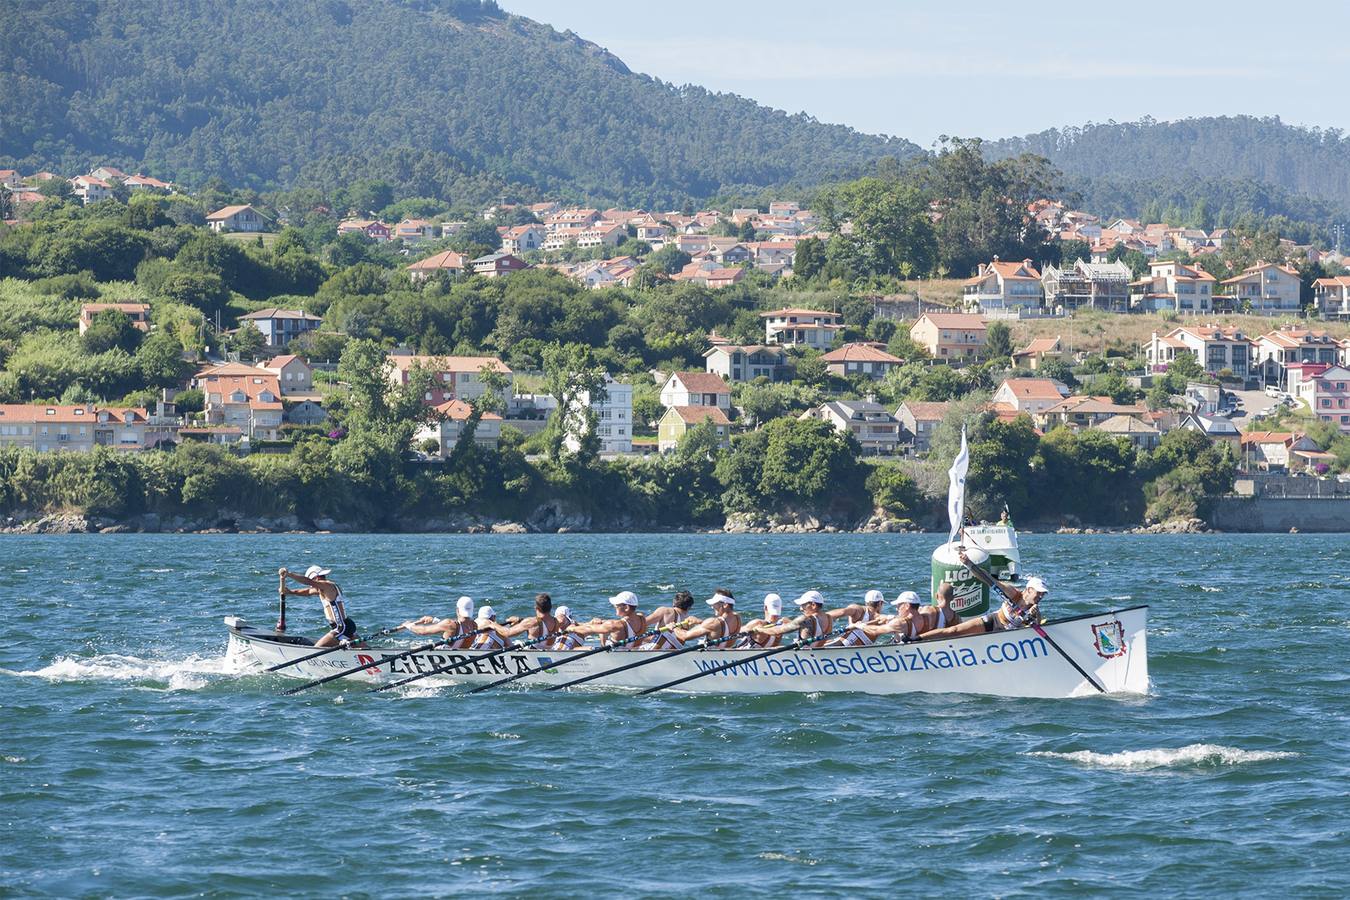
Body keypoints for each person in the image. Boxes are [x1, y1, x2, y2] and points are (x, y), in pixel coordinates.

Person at [920, 552, 1047, 639]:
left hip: (1007, 635)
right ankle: (916, 639)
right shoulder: (1013, 593)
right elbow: (989, 580)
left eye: (1043, 594)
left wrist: (1036, 615)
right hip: (993, 622)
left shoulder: (1034, 609)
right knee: (953, 631)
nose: (1040, 596)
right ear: (1029, 590)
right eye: (1039, 592)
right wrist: (969, 564)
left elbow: (1035, 631)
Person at [280, 565, 356, 648]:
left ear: (316, 578)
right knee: (364, 650)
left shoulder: (327, 585)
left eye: (312, 582)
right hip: (347, 625)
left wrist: (289, 574)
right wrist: (291, 592)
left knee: (317, 648)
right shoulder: (323, 588)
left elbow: (308, 582)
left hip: (341, 628)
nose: (311, 587)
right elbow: (308, 591)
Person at [748, 590, 833, 648]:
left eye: (803, 605)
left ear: (813, 605)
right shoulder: (828, 618)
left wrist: (760, 629)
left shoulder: (805, 619)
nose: (801, 609)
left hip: (803, 656)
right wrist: (791, 622)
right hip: (816, 653)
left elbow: (777, 631)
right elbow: (811, 629)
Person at [566, 591, 647, 648]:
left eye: (616, 606)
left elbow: (589, 629)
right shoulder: (641, 618)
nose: (615, 607)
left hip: (615, 655)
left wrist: (572, 628)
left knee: (597, 627)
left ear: (626, 607)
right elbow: (624, 623)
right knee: (600, 624)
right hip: (632, 651)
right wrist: (603, 622)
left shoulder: (615, 625)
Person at [481, 593, 559, 648]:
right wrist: (519, 620)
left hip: (533, 656)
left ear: (536, 608)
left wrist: (493, 624)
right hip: (548, 652)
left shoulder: (531, 622)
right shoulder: (556, 621)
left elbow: (507, 633)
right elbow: (541, 622)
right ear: (550, 607)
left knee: (507, 641)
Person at [400, 596, 478, 648]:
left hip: (443, 658)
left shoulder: (449, 624)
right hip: (460, 657)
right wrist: (434, 620)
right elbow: (452, 629)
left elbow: (423, 631)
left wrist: (409, 625)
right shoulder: (474, 626)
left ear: (457, 610)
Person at [673, 589, 741, 647]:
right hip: (725, 654)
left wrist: (674, 627)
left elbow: (684, 636)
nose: (712, 607)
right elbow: (716, 628)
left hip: (709, 657)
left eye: (714, 604)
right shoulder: (737, 618)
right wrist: (700, 622)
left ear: (725, 605)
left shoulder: (713, 622)